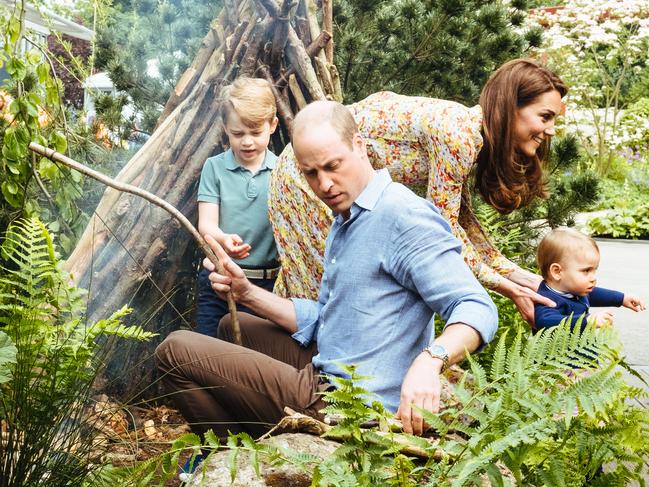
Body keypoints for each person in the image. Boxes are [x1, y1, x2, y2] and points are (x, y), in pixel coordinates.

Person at [155, 101, 498, 447]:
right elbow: (332, 319)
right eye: (311, 173)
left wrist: (431, 361)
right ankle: (254, 447)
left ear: (360, 146)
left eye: (334, 166)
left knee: (174, 350)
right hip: (336, 363)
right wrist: (246, 293)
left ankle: (236, 451)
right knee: (232, 325)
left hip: (351, 403)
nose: (325, 185)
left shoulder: (403, 217)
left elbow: (476, 307)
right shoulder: (348, 217)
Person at [269, 58, 567, 325]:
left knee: (323, 287)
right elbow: (443, 231)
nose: (551, 129)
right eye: (545, 116)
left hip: (323, 175)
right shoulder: (458, 135)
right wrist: (505, 286)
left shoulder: (469, 134)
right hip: (304, 174)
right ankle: (313, 380)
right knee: (329, 292)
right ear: (511, 107)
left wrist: (517, 275)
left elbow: (462, 221)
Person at [194, 78, 280, 337]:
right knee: (210, 353)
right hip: (219, 279)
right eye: (238, 133)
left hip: (267, 285)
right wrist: (223, 239)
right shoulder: (215, 168)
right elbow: (206, 224)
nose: (247, 142)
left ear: (273, 125)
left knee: (255, 360)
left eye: (256, 133)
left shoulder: (282, 172)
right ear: (225, 128)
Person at [534, 227, 646, 330]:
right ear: (557, 271)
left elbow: (592, 294)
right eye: (586, 270)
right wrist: (586, 321)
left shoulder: (573, 289)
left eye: (594, 270)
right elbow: (545, 321)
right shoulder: (547, 299)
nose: (593, 278)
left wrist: (622, 298)